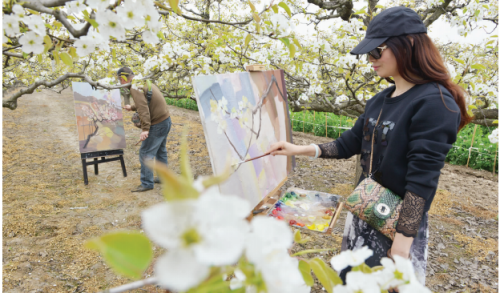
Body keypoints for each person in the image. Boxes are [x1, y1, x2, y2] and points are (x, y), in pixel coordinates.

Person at [268, 6, 470, 285]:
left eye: (377, 51)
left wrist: (402, 243)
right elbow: (348, 144)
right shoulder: (380, 99)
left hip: (396, 225)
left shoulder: (435, 102)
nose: (370, 60)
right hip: (365, 210)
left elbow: (422, 179)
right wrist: (298, 149)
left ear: (408, 43)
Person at [118, 67, 172, 192]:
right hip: (165, 120)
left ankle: (147, 183)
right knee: (160, 151)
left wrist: (145, 129)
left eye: (120, 81)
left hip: (157, 124)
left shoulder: (135, 87)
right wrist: (131, 107)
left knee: (145, 153)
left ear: (122, 79)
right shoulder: (143, 81)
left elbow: (143, 109)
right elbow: (146, 100)